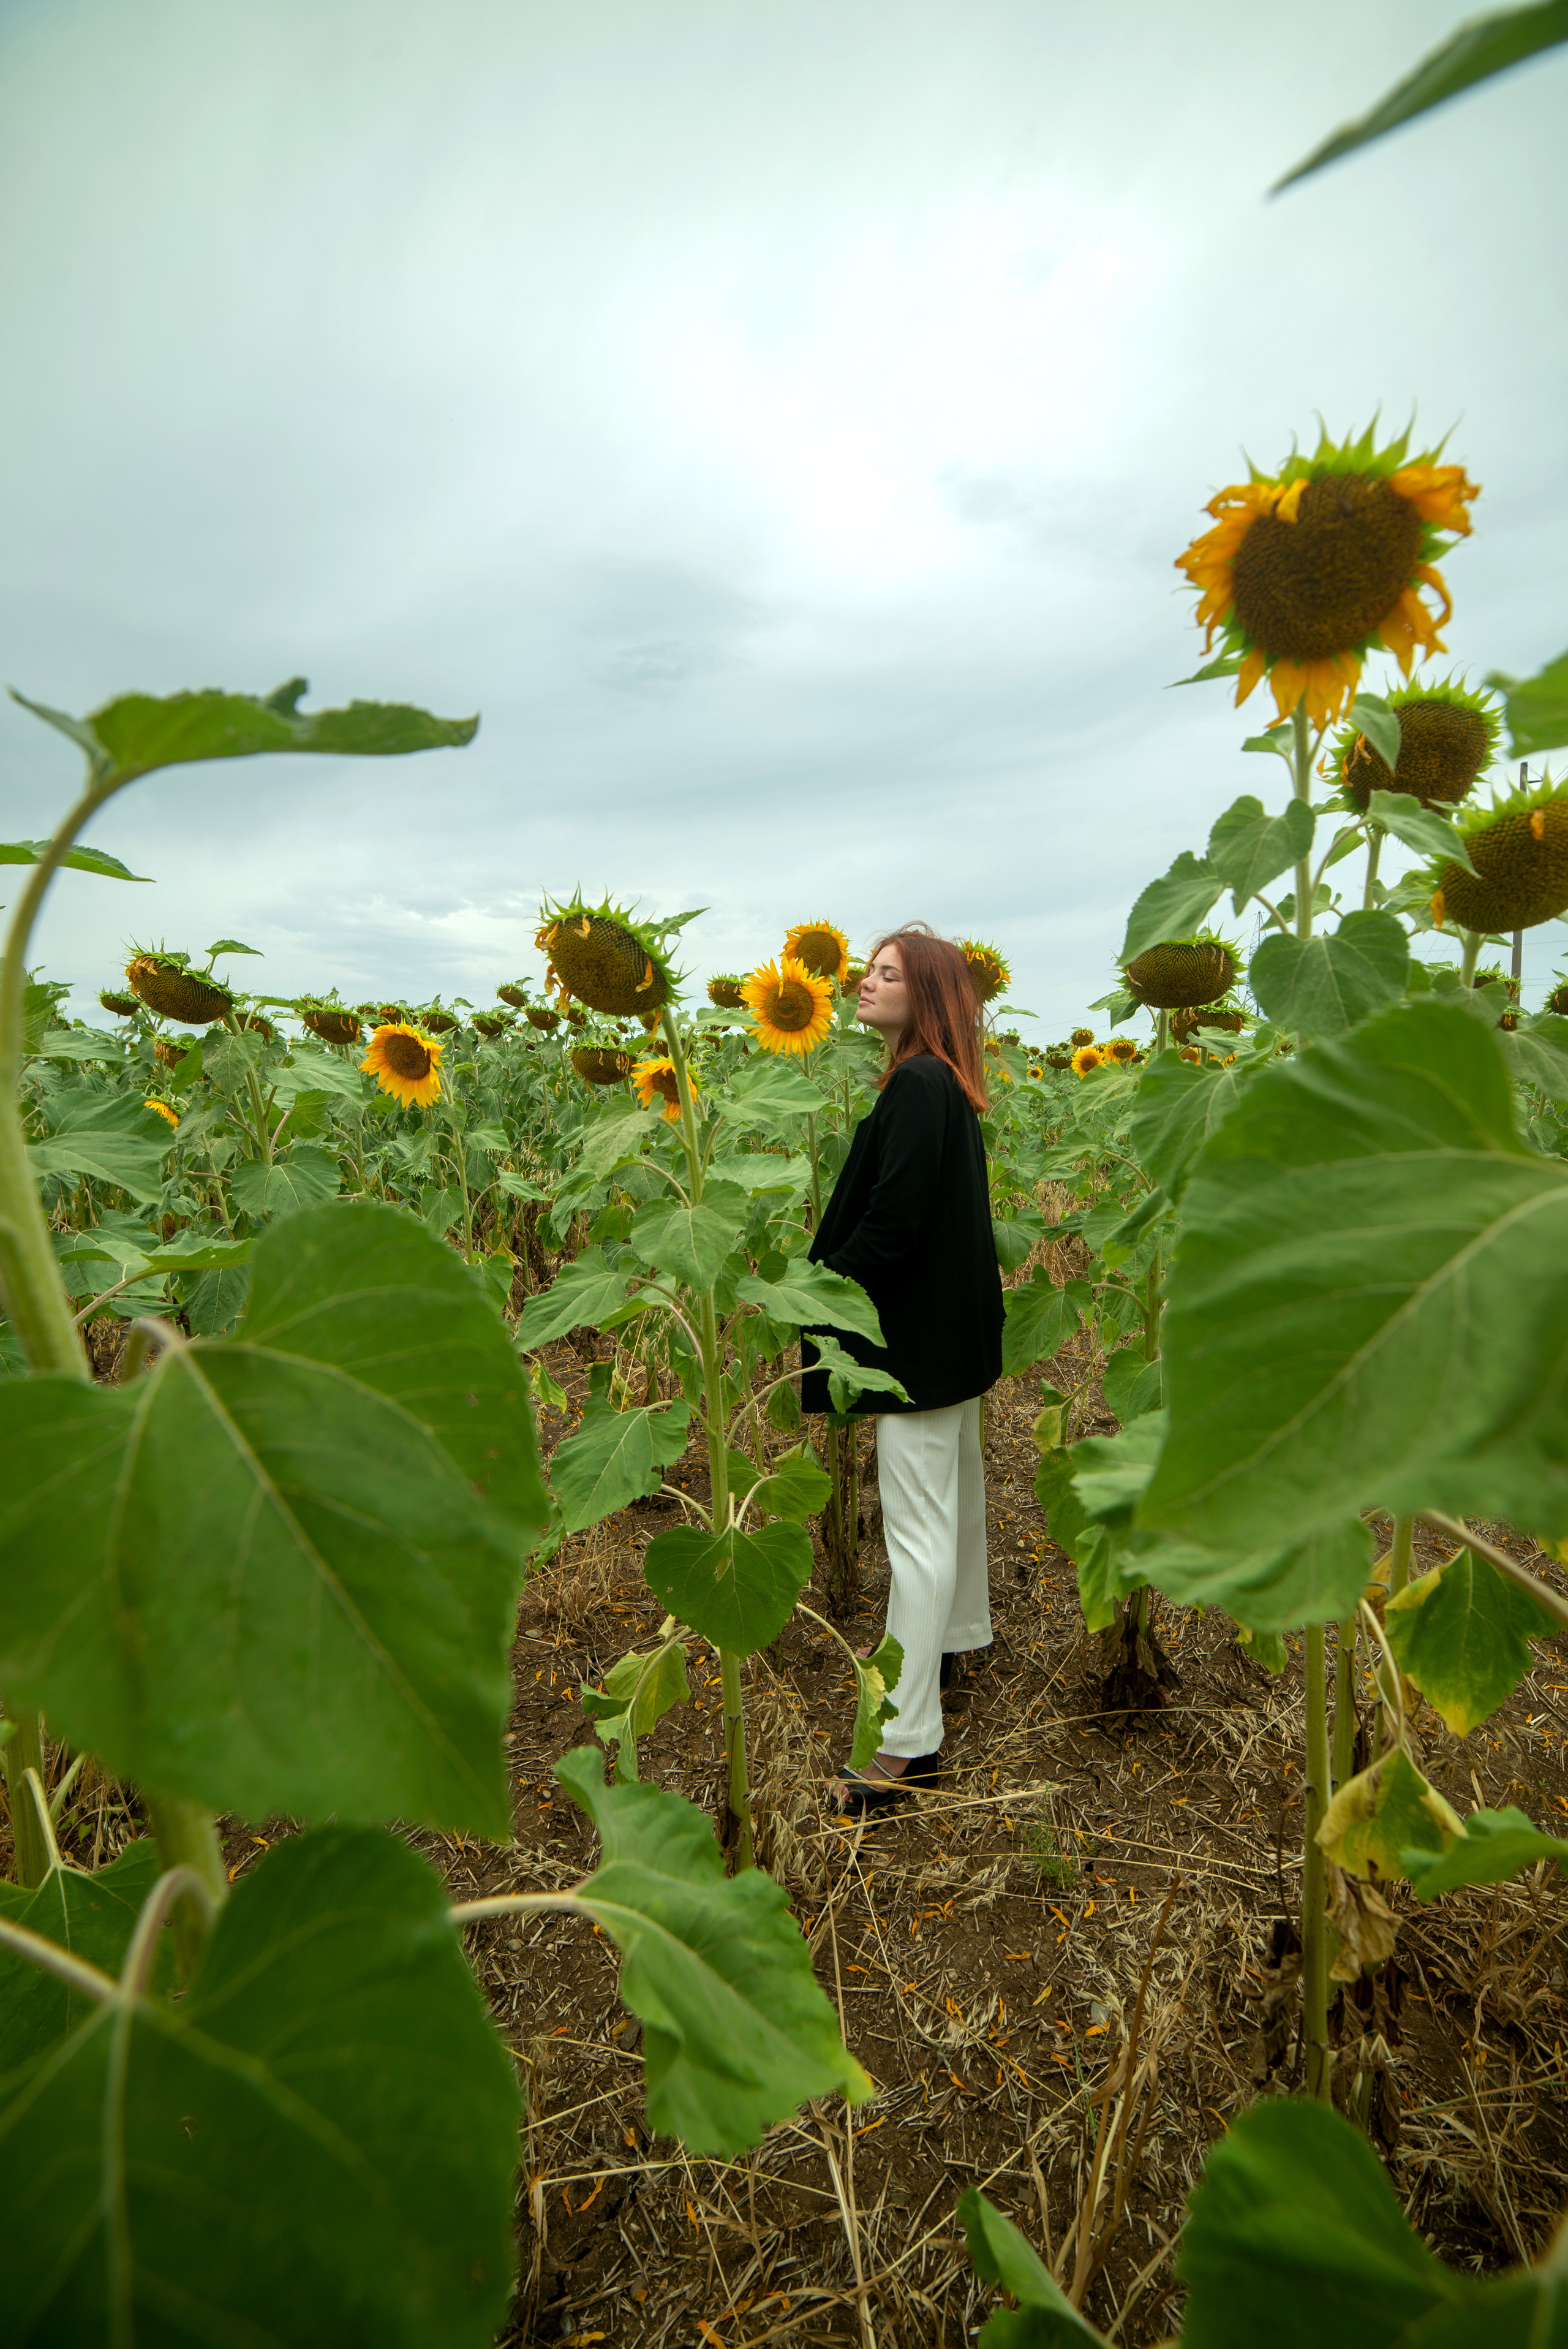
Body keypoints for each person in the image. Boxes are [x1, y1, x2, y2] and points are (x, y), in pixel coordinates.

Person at [799, 925, 1005, 1817]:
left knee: (915, 1537)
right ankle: (954, 1647)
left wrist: (816, 1293)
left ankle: (906, 1742)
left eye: (886, 975)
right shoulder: (943, 1082)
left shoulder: (917, 1083)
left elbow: (895, 1221)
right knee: (952, 1515)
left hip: (914, 1349)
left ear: (927, 994)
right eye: (867, 973)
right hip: (952, 1343)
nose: (862, 985)